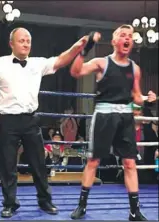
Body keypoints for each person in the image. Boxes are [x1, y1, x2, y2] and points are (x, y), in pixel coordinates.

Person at [0, 27, 88, 218]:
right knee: (7, 165)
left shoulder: (37, 64)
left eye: (28, 40)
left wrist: (77, 47)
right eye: (21, 40)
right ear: (11, 43)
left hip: (30, 120)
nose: (26, 44)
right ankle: (10, 203)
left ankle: (45, 201)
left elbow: (61, 60)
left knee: (39, 163)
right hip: (8, 121)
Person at [69, 25, 157, 221]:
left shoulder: (135, 68)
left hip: (126, 117)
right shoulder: (102, 62)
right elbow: (76, 72)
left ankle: (134, 211)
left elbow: (135, 96)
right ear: (114, 41)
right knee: (93, 161)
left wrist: (147, 97)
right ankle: (81, 206)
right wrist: (85, 50)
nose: (127, 38)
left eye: (130, 36)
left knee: (130, 163)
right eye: (122, 35)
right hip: (104, 116)